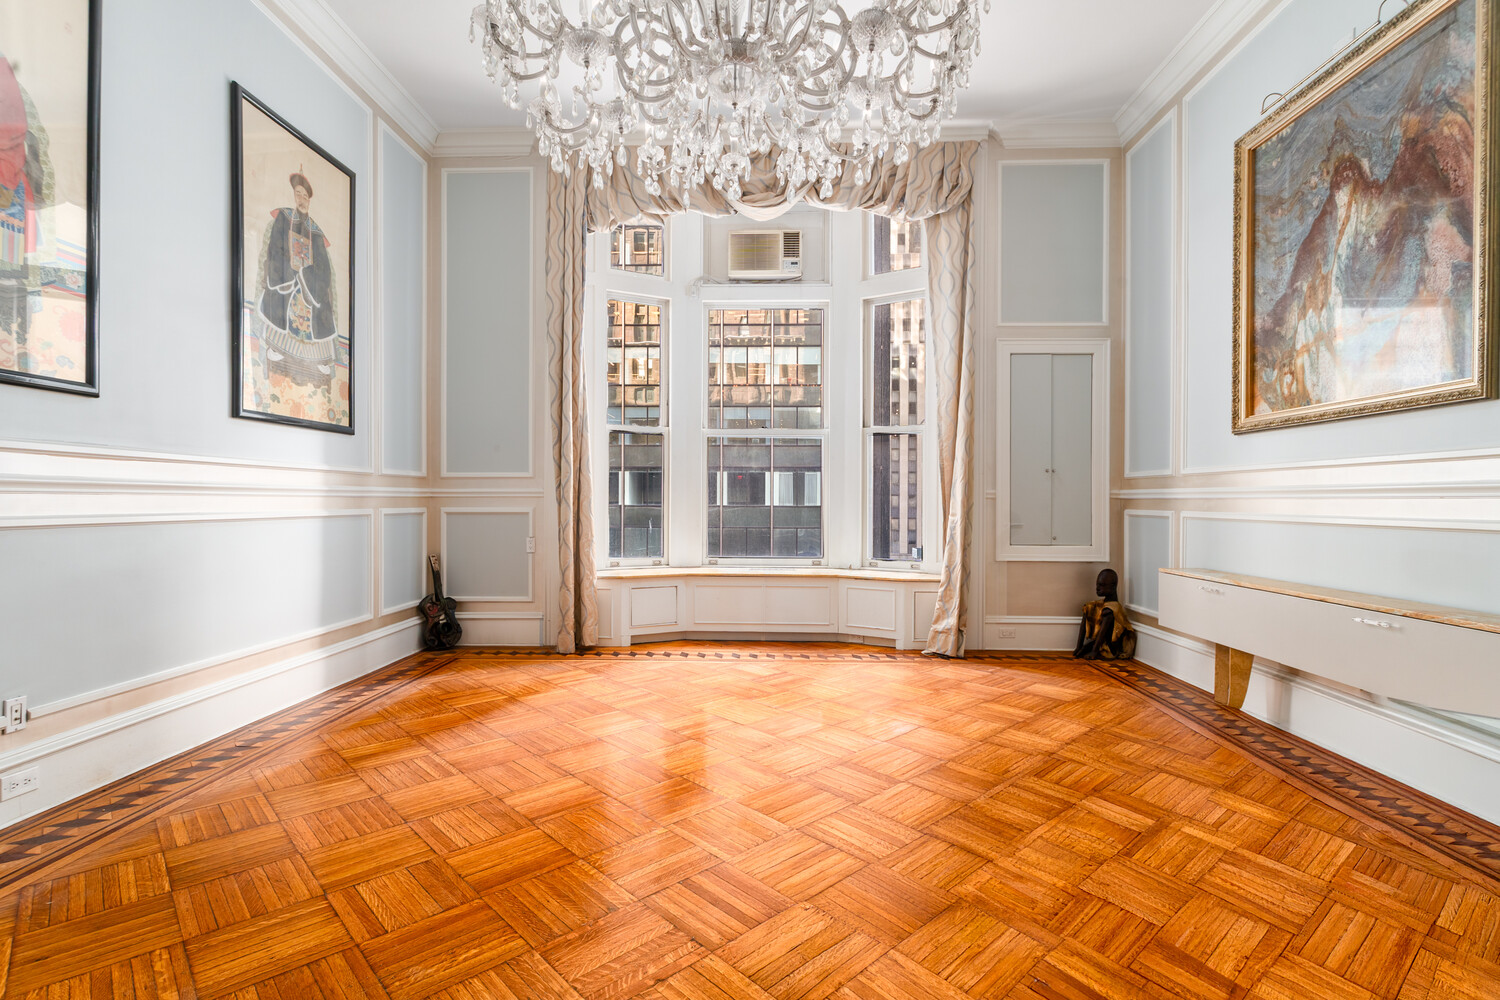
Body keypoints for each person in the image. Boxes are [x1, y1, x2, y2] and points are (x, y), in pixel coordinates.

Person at [256, 169, 337, 384]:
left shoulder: (316, 232)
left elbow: (323, 267)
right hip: (288, 278)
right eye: (298, 194)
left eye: (305, 196)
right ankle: (277, 348)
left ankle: (319, 359)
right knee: (283, 296)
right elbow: (275, 248)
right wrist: (291, 271)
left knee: (319, 304)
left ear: (309, 200)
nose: (301, 199)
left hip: (309, 282)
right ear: (294, 195)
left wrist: (306, 275)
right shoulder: (284, 218)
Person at [1074, 568, 1137, 661]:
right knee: (1088, 607)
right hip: (1101, 641)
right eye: (1097, 584)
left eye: (1102, 585)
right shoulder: (1103, 604)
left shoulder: (1113, 608)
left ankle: (1095, 650)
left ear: (1113, 586)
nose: (1097, 588)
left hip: (1112, 645)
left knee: (1107, 612)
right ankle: (1079, 647)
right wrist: (1079, 646)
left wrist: (1094, 651)